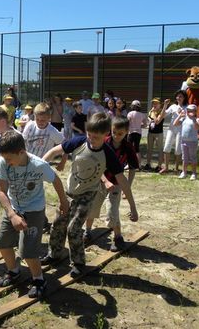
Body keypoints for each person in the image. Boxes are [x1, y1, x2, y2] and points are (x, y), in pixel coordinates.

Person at [41, 113, 138, 277]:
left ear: (105, 135)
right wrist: (40, 167)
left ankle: (78, 263)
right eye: (89, 135)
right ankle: (54, 254)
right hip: (69, 192)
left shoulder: (108, 153)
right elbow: (53, 152)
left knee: (74, 228)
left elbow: (123, 183)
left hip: (88, 194)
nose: (91, 139)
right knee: (58, 223)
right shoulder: (79, 142)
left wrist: (133, 208)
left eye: (96, 137)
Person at [0, 131, 69, 298]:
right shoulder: (3, 161)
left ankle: (38, 280)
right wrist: (12, 215)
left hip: (34, 211)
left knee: (28, 251)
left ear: (21, 152)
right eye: (4, 158)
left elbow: (55, 180)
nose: (6, 162)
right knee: (2, 243)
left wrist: (64, 202)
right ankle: (14, 272)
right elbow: (1, 190)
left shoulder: (38, 165)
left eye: (9, 159)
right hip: (13, 209)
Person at [84, 116, 139, 251]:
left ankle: (118, 237)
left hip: (116, 184)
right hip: (99, 181)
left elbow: (132, 168)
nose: (116, 136)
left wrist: (128, 186)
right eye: (114, 132)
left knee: (112, 211)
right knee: (92, 208)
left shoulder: (128, 148)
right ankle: (88, 231)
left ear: (127, 132)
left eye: (120, 134)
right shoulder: (104, 143)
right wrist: (105, 181)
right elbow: (98, 165)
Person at [160, 90, 188, 174]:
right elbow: (163, 115)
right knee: (166, 147)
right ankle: (166, 168)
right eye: (177, 96)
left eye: (181, 96)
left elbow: (188, 119)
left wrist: (182, 119)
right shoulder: (173, 106)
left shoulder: (187, 107)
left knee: (178, 149)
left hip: (181, 129)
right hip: (171, 129)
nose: (178, 98)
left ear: (184, 98)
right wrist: (165, 105)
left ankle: (176, 168)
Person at [174, 104, 199, 180]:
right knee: (184, 158)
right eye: (188, 111)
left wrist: (194, 119)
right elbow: (175, 124)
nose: (190, 112)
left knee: (193, 157)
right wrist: (180, 116)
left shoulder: (197, 119)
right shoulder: (184, 119)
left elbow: (197, 127)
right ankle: (184, 172)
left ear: (195, 112)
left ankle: (194, 173)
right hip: (184, 141)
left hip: (193, 141)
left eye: (192, 111)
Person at [144, 97, 169, 172]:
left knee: (160, 150)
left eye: (156, 103)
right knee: (149, 149)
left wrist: (153, 114)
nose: (154, 104)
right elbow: (149, 120)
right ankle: (148, 164)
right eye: (153, 103)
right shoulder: (151, 111)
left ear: (159, 104)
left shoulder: (162, 111)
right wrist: (150, 117)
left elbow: (157, 121)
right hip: (150, 132)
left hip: (159, 133)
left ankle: (159, 165)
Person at [127, 100, 147, 167]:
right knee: (137, 149)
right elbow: (145, 125)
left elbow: (128, 123)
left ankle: (129, 164)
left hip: (131, 132)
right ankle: (139, 164)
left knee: (129, 149)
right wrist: (139, 125)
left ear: (132, 106)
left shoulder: (130, 113)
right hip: (138, 133)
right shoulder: (142, 115)